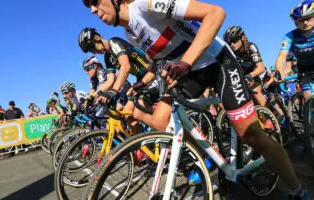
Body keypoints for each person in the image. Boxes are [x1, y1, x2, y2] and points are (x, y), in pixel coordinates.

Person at [83, 0, 308, 199]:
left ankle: (298, 191)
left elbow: (215, 13)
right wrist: (140, 85)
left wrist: (186, 62)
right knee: (161, 121)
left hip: (217, 62)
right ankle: (207, 159)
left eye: (94, 1)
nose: (93, 10)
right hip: (188, 70)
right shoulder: (130, 34)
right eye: (88, 6)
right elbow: (156, 60)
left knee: (251, 135)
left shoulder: (148, 4)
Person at [78, 28, 156, 134]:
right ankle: (143, 147)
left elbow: (125, 66)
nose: (94, 52)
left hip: (152, 73)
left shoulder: (114, 42)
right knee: (128, 115)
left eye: (92, 48)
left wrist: (114, 91)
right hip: (141, 80)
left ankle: (165, 137)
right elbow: (109, 81)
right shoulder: (107, 57)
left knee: (138, 113)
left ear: (97, 38)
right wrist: (92, 97)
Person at [276, 0, 314, 101]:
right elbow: (281, 57)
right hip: (305, 69)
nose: (305, 22)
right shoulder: (289, 36)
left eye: (308, 18)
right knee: (307, 97)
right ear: (296, 22)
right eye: (301, 20)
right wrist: (279, 73)